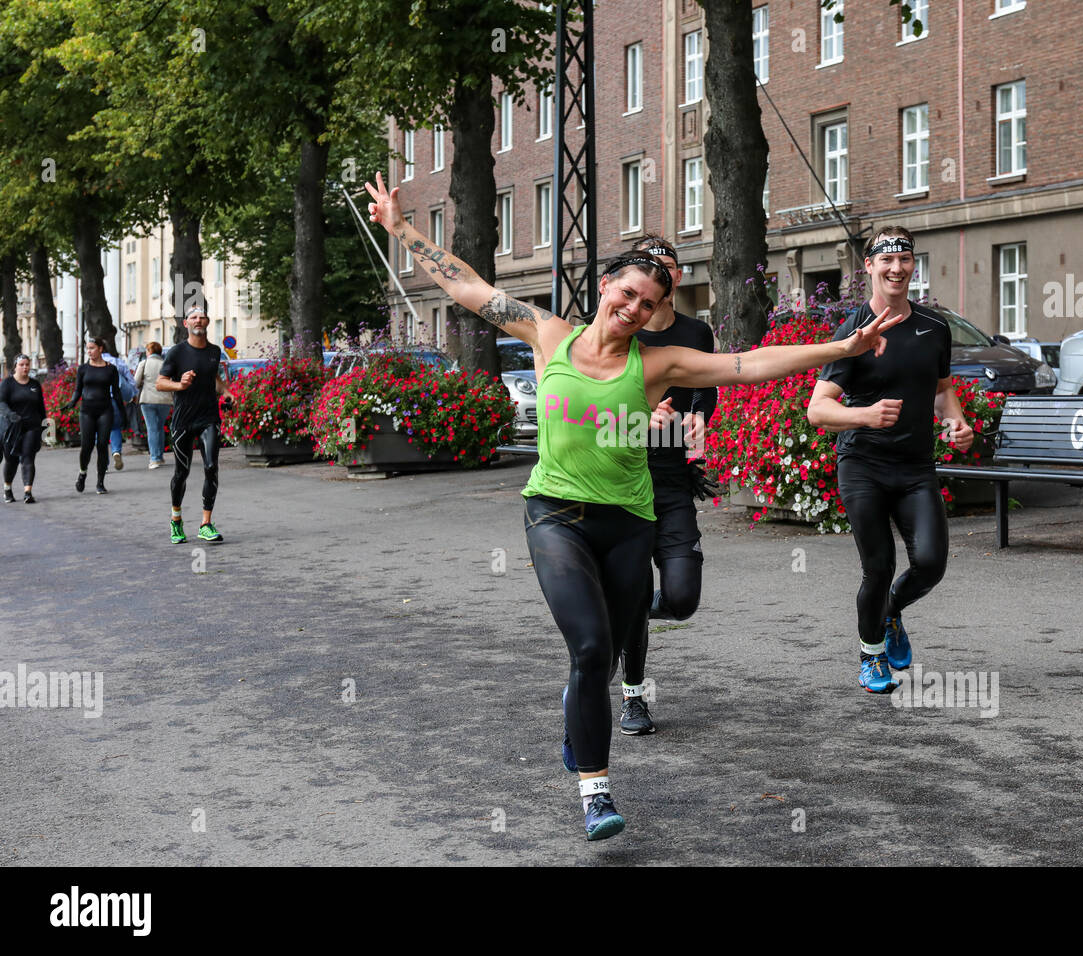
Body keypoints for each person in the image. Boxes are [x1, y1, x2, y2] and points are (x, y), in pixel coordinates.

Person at [365, 172, 900, 841]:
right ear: (605, 288)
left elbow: (750, 365)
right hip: (555, 515)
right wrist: (399, 226)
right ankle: (596, 791)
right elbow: (461, 283)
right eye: (627, 293)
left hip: (628, 523)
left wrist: (841, 348)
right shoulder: (547, 333)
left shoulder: (659, 364)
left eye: (647, 303)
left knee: (610, 656)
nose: (633, 307)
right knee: (590, 650)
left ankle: (586, 712)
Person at [808, 226, 974, 694]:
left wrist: (955, 423)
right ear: (869, 268)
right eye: (886, 261)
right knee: (877, 567)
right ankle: (871, 656)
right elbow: (817, 409)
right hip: (863, 465)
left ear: (912, 265)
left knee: (931, 563)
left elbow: (942, 389)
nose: (896, 268)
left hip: (916, 467)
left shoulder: (933, 327)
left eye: (904, 260)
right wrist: (865, 415)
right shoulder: (855, 332)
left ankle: (891, 613)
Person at [617, 235, 718, 737]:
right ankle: (633, 695)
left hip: (673, 478)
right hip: (621, 478)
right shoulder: (621, 334)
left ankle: (624, 613)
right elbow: (595, 405)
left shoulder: (696, 332)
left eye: (669, 267)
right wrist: (637, 416)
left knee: (681, 597)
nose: (663, 273)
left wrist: (700, 418)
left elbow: (706, 389)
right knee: (635, 591)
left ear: (676, 278)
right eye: (650, 266)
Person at [156, 307, 231, 544]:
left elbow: (213, 378)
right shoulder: (177, 352)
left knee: (211, 467)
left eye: (202, 316)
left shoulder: (214, 351)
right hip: (183, 421)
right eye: (193, 317)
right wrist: (180, 385)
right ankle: (176, 520)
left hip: (209, 417)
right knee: (182, 472)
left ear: (208, 321)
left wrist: (226, 392)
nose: (198, 320)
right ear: (186, 323)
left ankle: (206, 523)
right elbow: (160, 383)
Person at [64, 337, 127, 495]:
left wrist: (123, 414)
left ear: (100, 349)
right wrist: (72, 402)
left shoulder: (111, 369)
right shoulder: (83, 369)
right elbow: (78, 389)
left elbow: (117, 393)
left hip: (105, 410)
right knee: (86, 445)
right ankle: (83, 472)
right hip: (87, 411)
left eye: (92, 348)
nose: (89, 351)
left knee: (102, 445)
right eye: (88, 348)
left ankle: (100, 482)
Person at [0, 354, 46, 503]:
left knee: (28, 457)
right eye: (22, 365)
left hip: (31, 427)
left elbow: (41, 408)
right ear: (15, 367)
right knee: (11, 461)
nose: (25, 367)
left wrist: (46, 428)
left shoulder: (34, 384)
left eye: (27, 364)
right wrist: (10, 415)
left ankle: (28, 492)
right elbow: (1, 403)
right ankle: (7, 488)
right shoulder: (7, 384)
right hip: (11, 428)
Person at [134, 341, 172, 469]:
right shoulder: (165, 364)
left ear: (149, 351)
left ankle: (154, 459)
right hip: (165, 400)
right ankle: (159, 456)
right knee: (160, 428)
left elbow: (136, 381)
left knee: (152, 429)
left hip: (148, 399)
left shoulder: (144, 363)